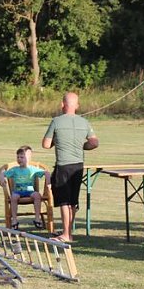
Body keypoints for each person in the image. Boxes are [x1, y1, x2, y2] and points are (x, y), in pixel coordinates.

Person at [41, 92, 99, 242]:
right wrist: (81, 146)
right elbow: (94, 143)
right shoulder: (84, 122)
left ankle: (66, 234)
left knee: (64, 202)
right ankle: (69, 232)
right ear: (77, 106)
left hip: (63, 165)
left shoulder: (56, 121)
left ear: (62, 105)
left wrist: (57, 141)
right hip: (78, 165)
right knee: (73, 201)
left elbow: (46, 144)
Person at [0, 145, 49, 230]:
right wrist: (2, 179)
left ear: (29, 158)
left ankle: (37, 218)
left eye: (22, 157)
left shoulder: (33, 169)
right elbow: (2, 172)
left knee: (37, 195)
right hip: (17, 191)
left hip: (29, 190)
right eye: (18, 157)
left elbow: (46, 173)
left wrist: (48, 183)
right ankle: (14, 220)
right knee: (13, 197)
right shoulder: (15, 169)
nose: (19, 159)